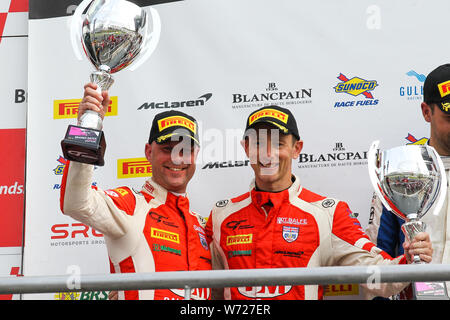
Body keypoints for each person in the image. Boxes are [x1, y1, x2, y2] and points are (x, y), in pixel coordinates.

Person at [205, 105, 433, 300]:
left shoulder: (328, 213)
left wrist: (410, 259)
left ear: (297, 149)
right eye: (258, 143)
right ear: (246, 148)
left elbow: (377, 279)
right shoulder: (221, 215)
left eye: (278, 144)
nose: (267, 153)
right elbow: (207, 293)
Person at [60, 83, 211, 300]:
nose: (177, 158)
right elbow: (76, 203)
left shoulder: (203, 225)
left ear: (195, 155)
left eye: (185, 150)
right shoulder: (130, 205)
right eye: (167, 149)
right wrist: (88, 127)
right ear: (149, 152)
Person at [366, 63, 450, 298]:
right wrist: (404, 260)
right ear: (426, 112)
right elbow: (374, 263)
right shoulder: (397, 174)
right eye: (449, 117)